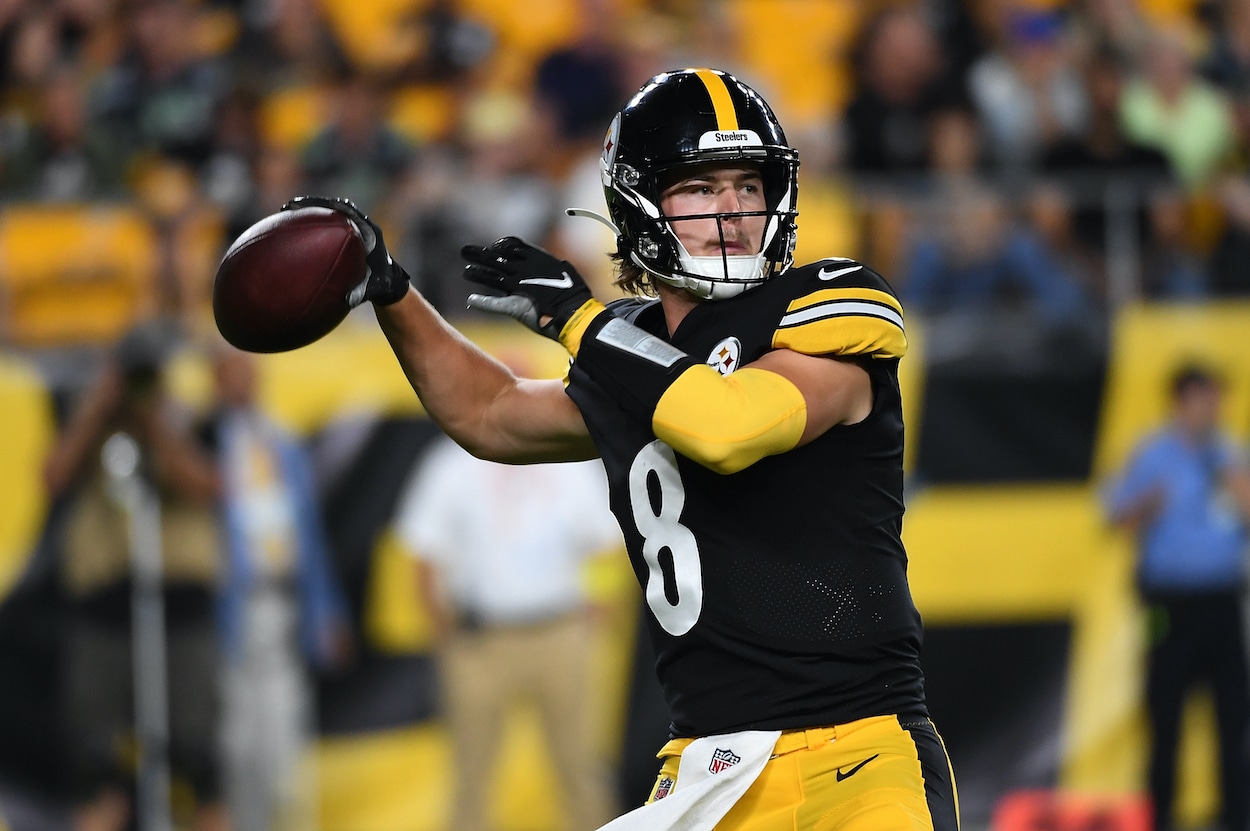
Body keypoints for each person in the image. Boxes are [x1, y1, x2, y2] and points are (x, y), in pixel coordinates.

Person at [282, 67, 959, 830]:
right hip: (705, 767)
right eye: (701, 188)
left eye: (748, 184)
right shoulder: (626, 349)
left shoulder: (827, 301)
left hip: (857, 758)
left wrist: (580, 319)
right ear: (641, 204)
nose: (733, 210)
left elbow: (729, 428)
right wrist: (392, 290)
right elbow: (490, 411)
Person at [43, 320, 228, 831]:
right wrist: (100, 407)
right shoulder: (89, 420)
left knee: (199, 761)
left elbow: (209, 485)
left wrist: (152, 422)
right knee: (95, 762)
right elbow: (53, 478)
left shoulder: (187, 419)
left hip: (181, 605)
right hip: (105, 607)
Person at [393, 434, 621, 831]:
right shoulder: (450, 464)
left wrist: (598, 608)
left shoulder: (568, 460)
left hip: (559, 630)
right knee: (472, 768)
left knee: (580, 762)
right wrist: (441, 628)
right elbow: (423, 547)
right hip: (480, 639)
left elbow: (605, 538)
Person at [205, 346, 351, 831]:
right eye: (229, 373)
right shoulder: (206, 443)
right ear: (215, 380)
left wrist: (325, 610)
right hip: (232, 611)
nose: (241, 382)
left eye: (247, 371)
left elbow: (307, 536)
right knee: (237, 748)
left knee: (286, 747)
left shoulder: (281, 444)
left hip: (282, 606)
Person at [1103, 364, 1250, 831]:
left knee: (1233, 717)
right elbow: (1114, 518)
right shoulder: (1153, 454)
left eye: (1216, 399)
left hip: (1222, 603)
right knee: (1163, 712)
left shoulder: (1231, 453)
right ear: (1181, 401)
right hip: (1165, 607)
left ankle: (1236, 816)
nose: (1213, 408)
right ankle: (1161, 816)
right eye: (1205, 398)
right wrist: (1146, 503)